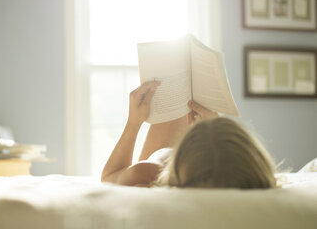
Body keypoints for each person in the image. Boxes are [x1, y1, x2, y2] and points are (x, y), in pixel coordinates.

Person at [101, 81, 276, 189]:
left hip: (162, 162)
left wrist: (133, 123)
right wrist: (214, 123)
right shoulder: (252, 178)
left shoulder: (151, 174)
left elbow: (109, 179)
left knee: (174, 96)